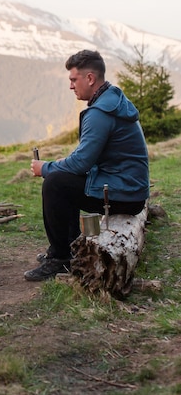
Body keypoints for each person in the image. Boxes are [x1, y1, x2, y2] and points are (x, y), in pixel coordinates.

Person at [24, 49, 149, 282]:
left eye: (74, 79)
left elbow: (81, 163)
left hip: (125, 194)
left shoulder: (100, 112)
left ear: (90, 78)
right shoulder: (111, 99)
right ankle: (68, 250)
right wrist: (58, 164)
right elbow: (86, 156)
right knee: (63, 179)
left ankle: (61, 259)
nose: (71, 86)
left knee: (55, 184)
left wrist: (46, 168)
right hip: (129, 188)